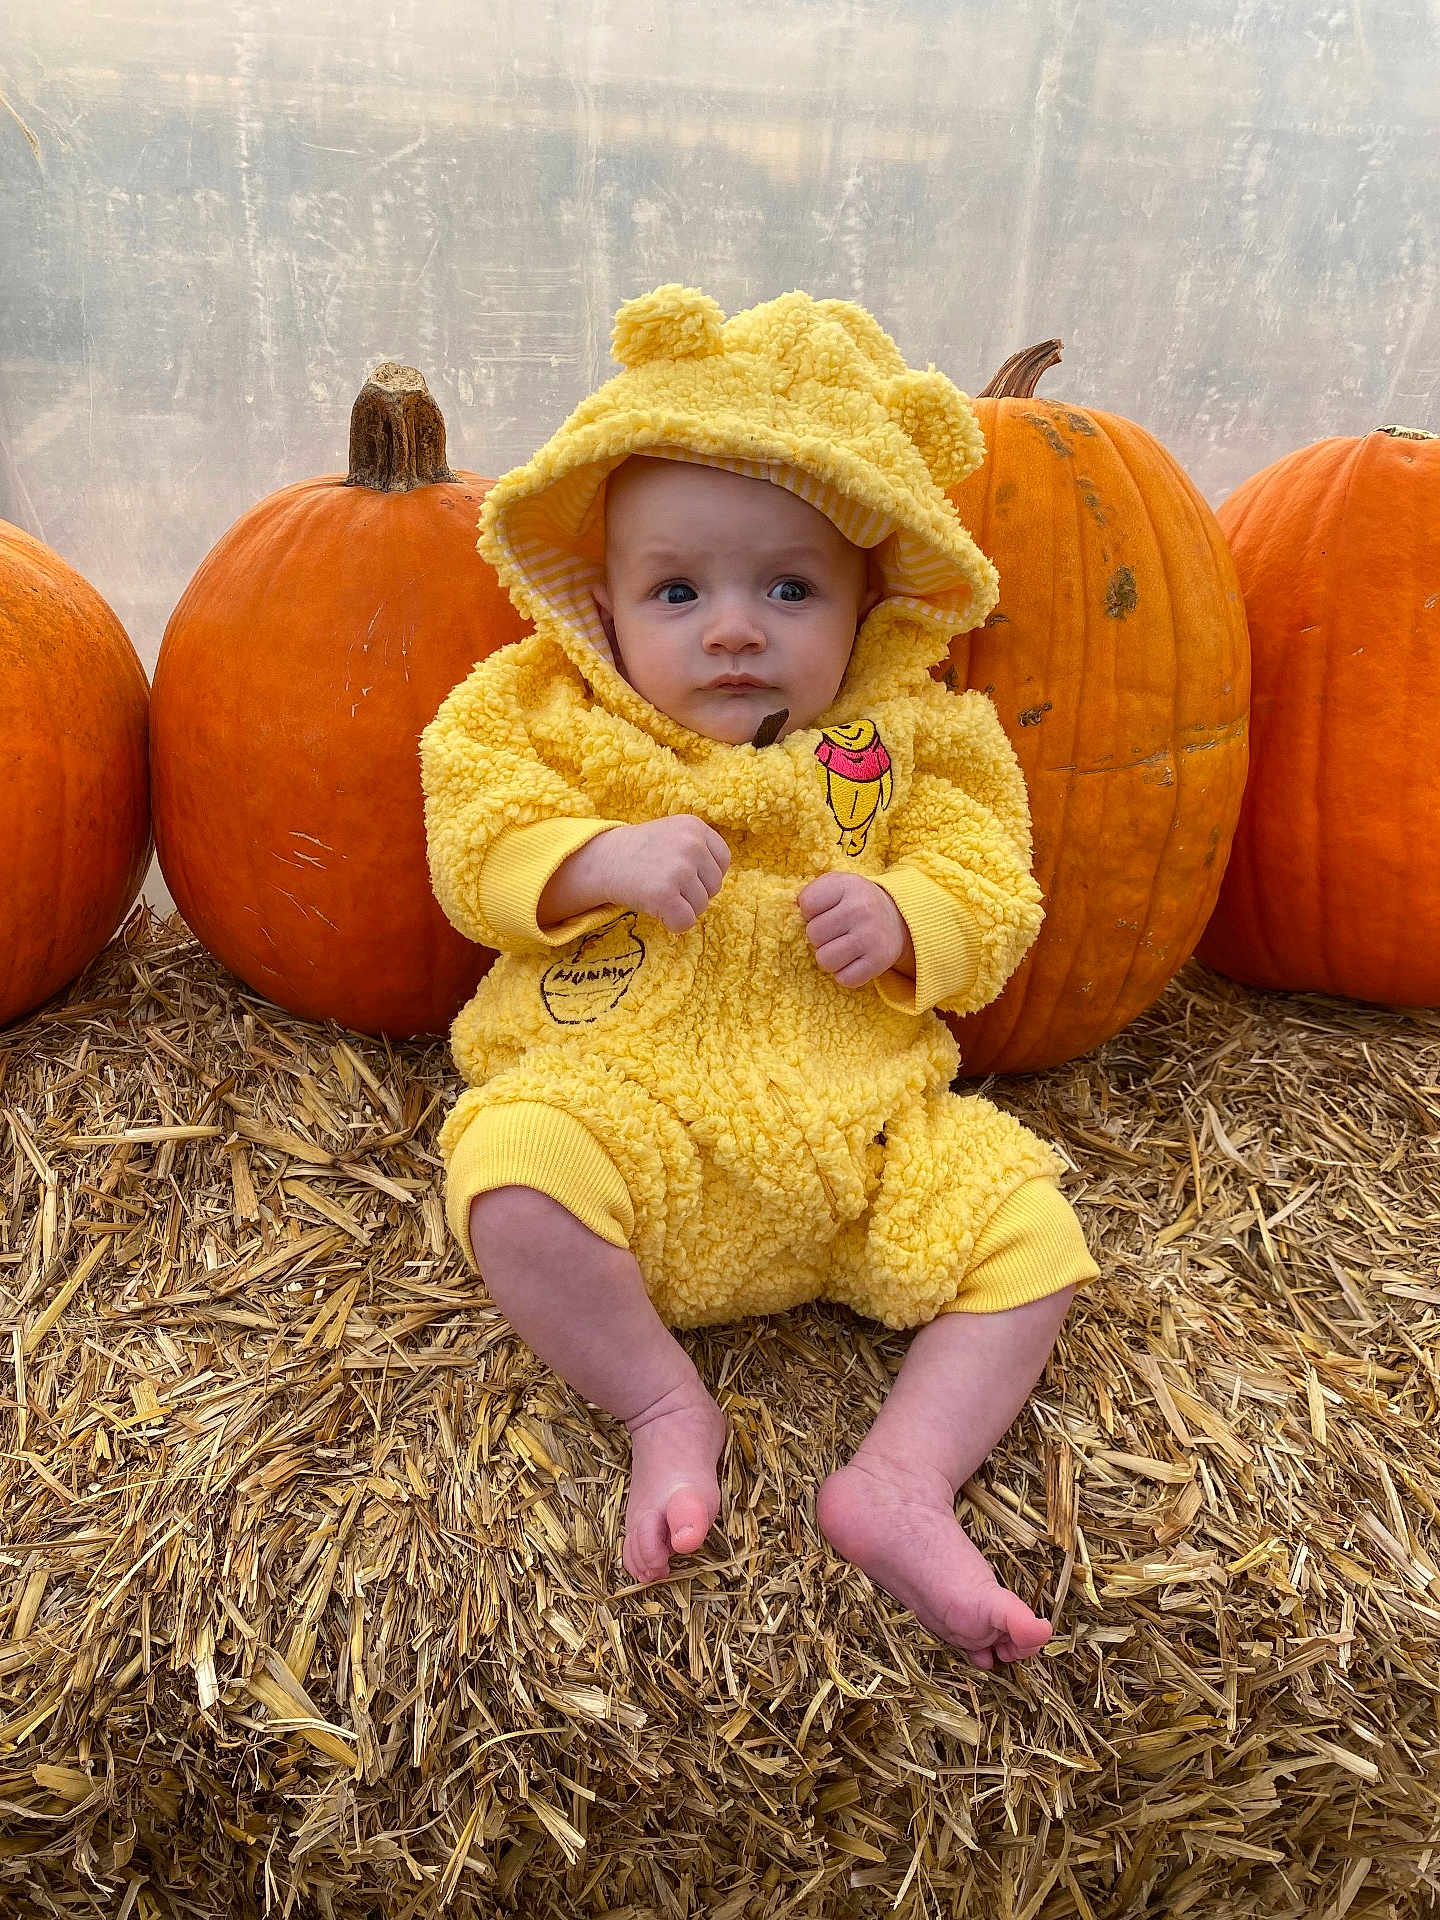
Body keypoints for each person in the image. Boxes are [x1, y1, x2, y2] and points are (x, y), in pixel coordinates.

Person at [420, 285, 1098, 1669]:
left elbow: (997, 890)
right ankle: (665, 1409)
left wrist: (911, 918)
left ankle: (901, 1481)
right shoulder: (542, 714)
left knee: (1035, 1233)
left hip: (858, 1140)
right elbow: (470, 839)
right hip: (632, 1114)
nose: (734, 629)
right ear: (602, 603)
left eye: (788, 589)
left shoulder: (922, 738)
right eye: (680, 592)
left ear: (871, 602)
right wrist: (594, 861)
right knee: (510, 1167)